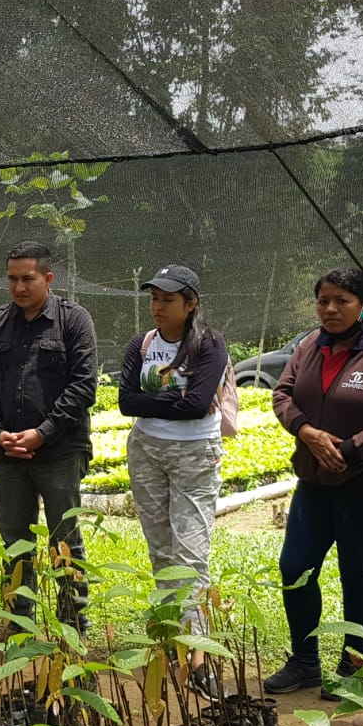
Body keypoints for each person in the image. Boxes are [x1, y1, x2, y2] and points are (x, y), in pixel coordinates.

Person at [266, 268, 363, 697]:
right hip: (313, 481)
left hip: (362, 485)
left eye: (342, 301)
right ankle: (304, 661)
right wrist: (308, 433)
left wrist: (348, 449)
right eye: (323, 300)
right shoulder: (310, 345)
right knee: (295, 568)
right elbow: (282, 394)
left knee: (357, 575)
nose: (330, 309)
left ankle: (352, 667)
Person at [0, 242, 98, 634]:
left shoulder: (73, 321)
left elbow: (83, 387)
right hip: (9, 454)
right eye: (12, 279)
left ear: (48, 278)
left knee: (65, 540)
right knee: (15, 540)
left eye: (27, 278)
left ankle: (72, 624)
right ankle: (17, 622)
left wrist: (42, 435)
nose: (18, 287)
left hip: (60, 451)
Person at [118, 265, 227, 633]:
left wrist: (158, 400)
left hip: (194, 454)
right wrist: (177, 397)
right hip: (146, 450)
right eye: (154, 298)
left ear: (190, 303)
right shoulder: (142, 343)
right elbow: (126, 402)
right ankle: (169, 631)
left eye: (168, 299)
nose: (157, 307)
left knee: (190, 550)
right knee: (161, 548)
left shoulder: (208, 344)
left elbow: (197, 406)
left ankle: (195, 645)